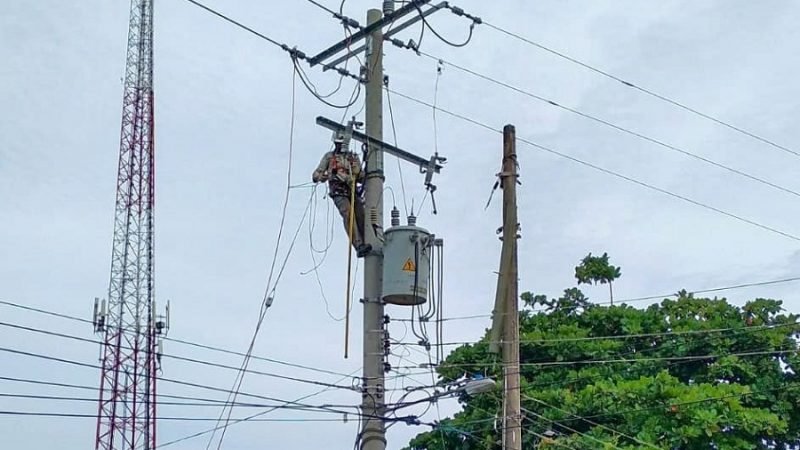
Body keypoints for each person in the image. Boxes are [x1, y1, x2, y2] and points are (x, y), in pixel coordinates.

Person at [312, 134, 372, 257]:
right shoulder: (329, 156)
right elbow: (316, 174)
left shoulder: (353, 157)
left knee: (361, 216)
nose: (340, 147)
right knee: (348, 213)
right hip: (338, 192)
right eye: (338, 144)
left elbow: (361, 178)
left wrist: (358, 172)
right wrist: (325, 176)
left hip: (352, 191)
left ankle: (368, 241)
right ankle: (359, 245)